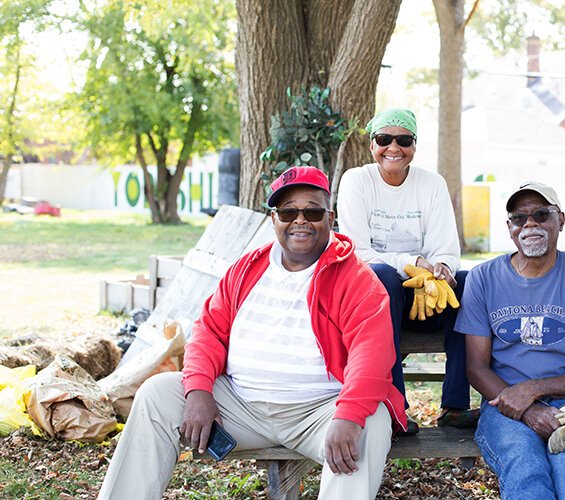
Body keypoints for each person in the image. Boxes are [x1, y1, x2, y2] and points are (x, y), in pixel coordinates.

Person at [97, 166, 407, 500]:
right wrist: (199, 390)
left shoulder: (357, 279)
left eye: (312, 211)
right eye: (288, 211)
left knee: (370, 421)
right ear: (274, 219)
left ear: (330, 218)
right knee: (157, 393)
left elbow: (371, 356)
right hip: (240, 407)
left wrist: (348, 415)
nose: (300, 220)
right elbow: (208, 331)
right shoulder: (246, 268)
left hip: (318, 412)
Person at [455, 181, 565, 499]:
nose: (530, 224)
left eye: (541, 214)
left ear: (560, 220)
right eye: (520, 218)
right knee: (525, 466)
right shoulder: (482, 279)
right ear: (509, 228)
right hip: (503, 404)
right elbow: (476, 368)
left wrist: (534, 390)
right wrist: (527, 410)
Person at [337, 108, 476, 435]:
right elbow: (358, 252)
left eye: (404, 140)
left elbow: (446, 248)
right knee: (383, 275)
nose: (393, 148)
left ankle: (455, 406)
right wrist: (412, 262)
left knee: (471, 283)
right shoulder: (357, 181)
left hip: (423, 297)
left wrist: (441, 269)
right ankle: (394, 407)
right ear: (371, 145)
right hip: (373, 304)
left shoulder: (432, 184)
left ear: (414, 145)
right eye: (384, 139)